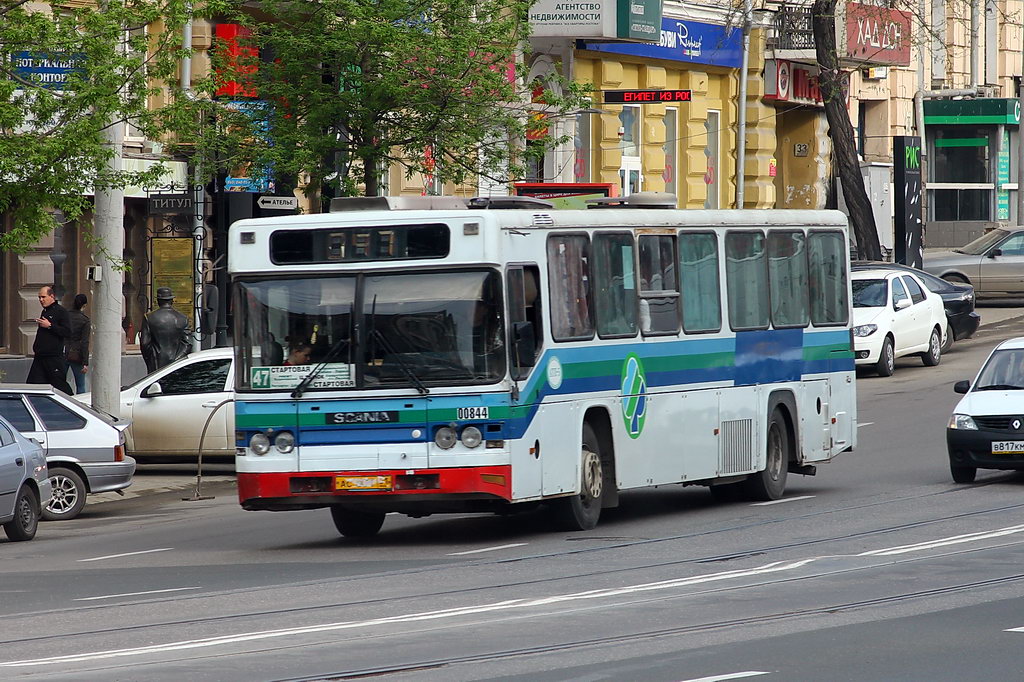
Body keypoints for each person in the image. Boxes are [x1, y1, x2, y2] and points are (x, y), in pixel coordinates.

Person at [26, 285, 73, 394]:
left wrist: (50, 325)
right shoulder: (45, 311)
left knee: (59, 385)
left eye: (43, 297)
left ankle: (73, 404)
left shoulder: (61, 312)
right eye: (39, 298)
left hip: (53, 358)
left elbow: (67, 332)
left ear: (52, 296)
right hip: (40, 357)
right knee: (33, 386)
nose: (41, 300)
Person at [139, 287, 191, 373]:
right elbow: (188, 344)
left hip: (156, 363)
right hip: (176, 365)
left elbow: (144, 343)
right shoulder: (182, 318)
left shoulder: (149, 318)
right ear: (172, 301)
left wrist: (150, 360)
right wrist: (177, 360)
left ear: (158, 301)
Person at [66, 294, 91, 394]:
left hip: (63, 352)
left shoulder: (65, 315)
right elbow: (85, 342)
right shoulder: (85, 320)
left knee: (60, 382)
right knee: (80, 385)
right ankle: (80, 406)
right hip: (77, 355)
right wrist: (85, 362)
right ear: (84, 306)